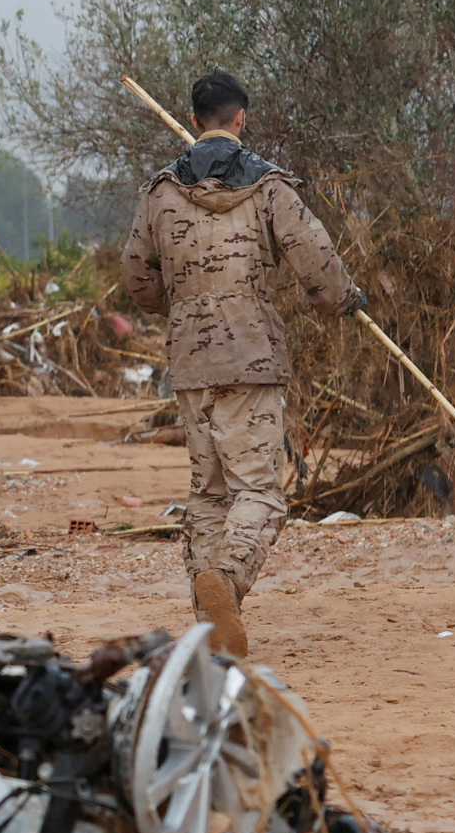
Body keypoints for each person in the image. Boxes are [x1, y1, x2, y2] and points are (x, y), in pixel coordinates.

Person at [119, 70, 363, 658]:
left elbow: (135, 279)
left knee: (209, 494)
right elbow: (317, 260)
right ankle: (226, 581)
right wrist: (343, 301)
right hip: (252, 358)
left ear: (197, 119)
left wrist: (174, 305)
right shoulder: (271, 188)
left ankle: (210, 627)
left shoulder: (160, 192)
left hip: (192, 364)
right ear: (240, 119)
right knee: (261, 492)